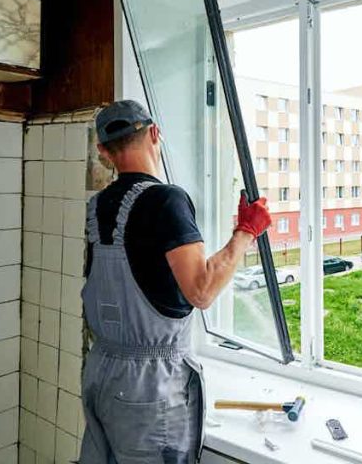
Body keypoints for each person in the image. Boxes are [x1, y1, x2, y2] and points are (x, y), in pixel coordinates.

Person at [78, 100, 271, 463]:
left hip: (100, 371)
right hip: (148, 390)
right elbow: (201, 290)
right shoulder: (166, 199)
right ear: (154, 133)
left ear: (104, 151)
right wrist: (247, 231)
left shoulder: (99, 205)